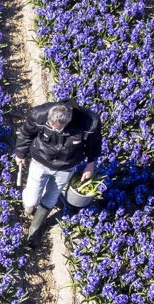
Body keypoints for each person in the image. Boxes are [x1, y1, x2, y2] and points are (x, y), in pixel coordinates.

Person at [14, 99, 102, 242]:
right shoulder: (39, 114)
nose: (52, 129)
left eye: (57, 129)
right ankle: (28, 209)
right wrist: (20, 153)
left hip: (66, 167)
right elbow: (26, 133)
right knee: (31, 199)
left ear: (68, 122)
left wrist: (90, 165)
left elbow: (94, 144)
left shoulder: (89, 122)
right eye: (50, 126)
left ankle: (34, 230)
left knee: (52, 196)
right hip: (40, 161)